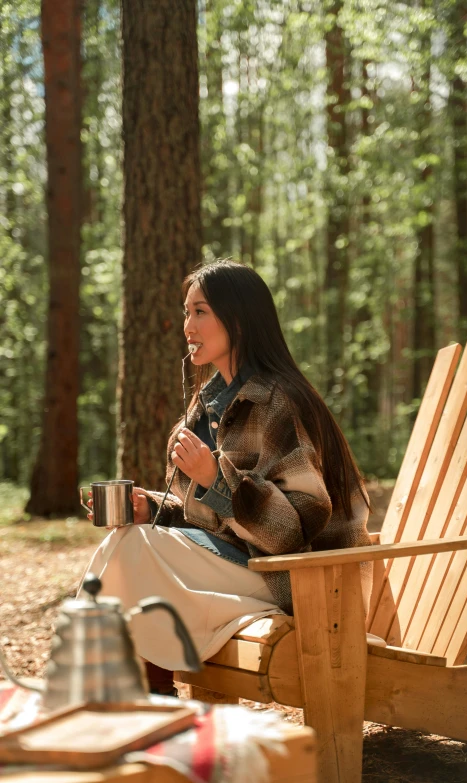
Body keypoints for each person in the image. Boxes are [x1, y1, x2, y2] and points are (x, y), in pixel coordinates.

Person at [80, 259, 373, 696]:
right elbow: (210, 521)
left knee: (134, 551)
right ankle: (144, 698)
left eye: (200, 312)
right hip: (245, 566)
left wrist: (216, 478)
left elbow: (293, 531)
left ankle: (137, 697)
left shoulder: (278, 401)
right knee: (131, 539)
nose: (187, 326)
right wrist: (157, 509)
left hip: (301, 581)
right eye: (186, 312)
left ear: (237, 319)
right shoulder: (209, 405)